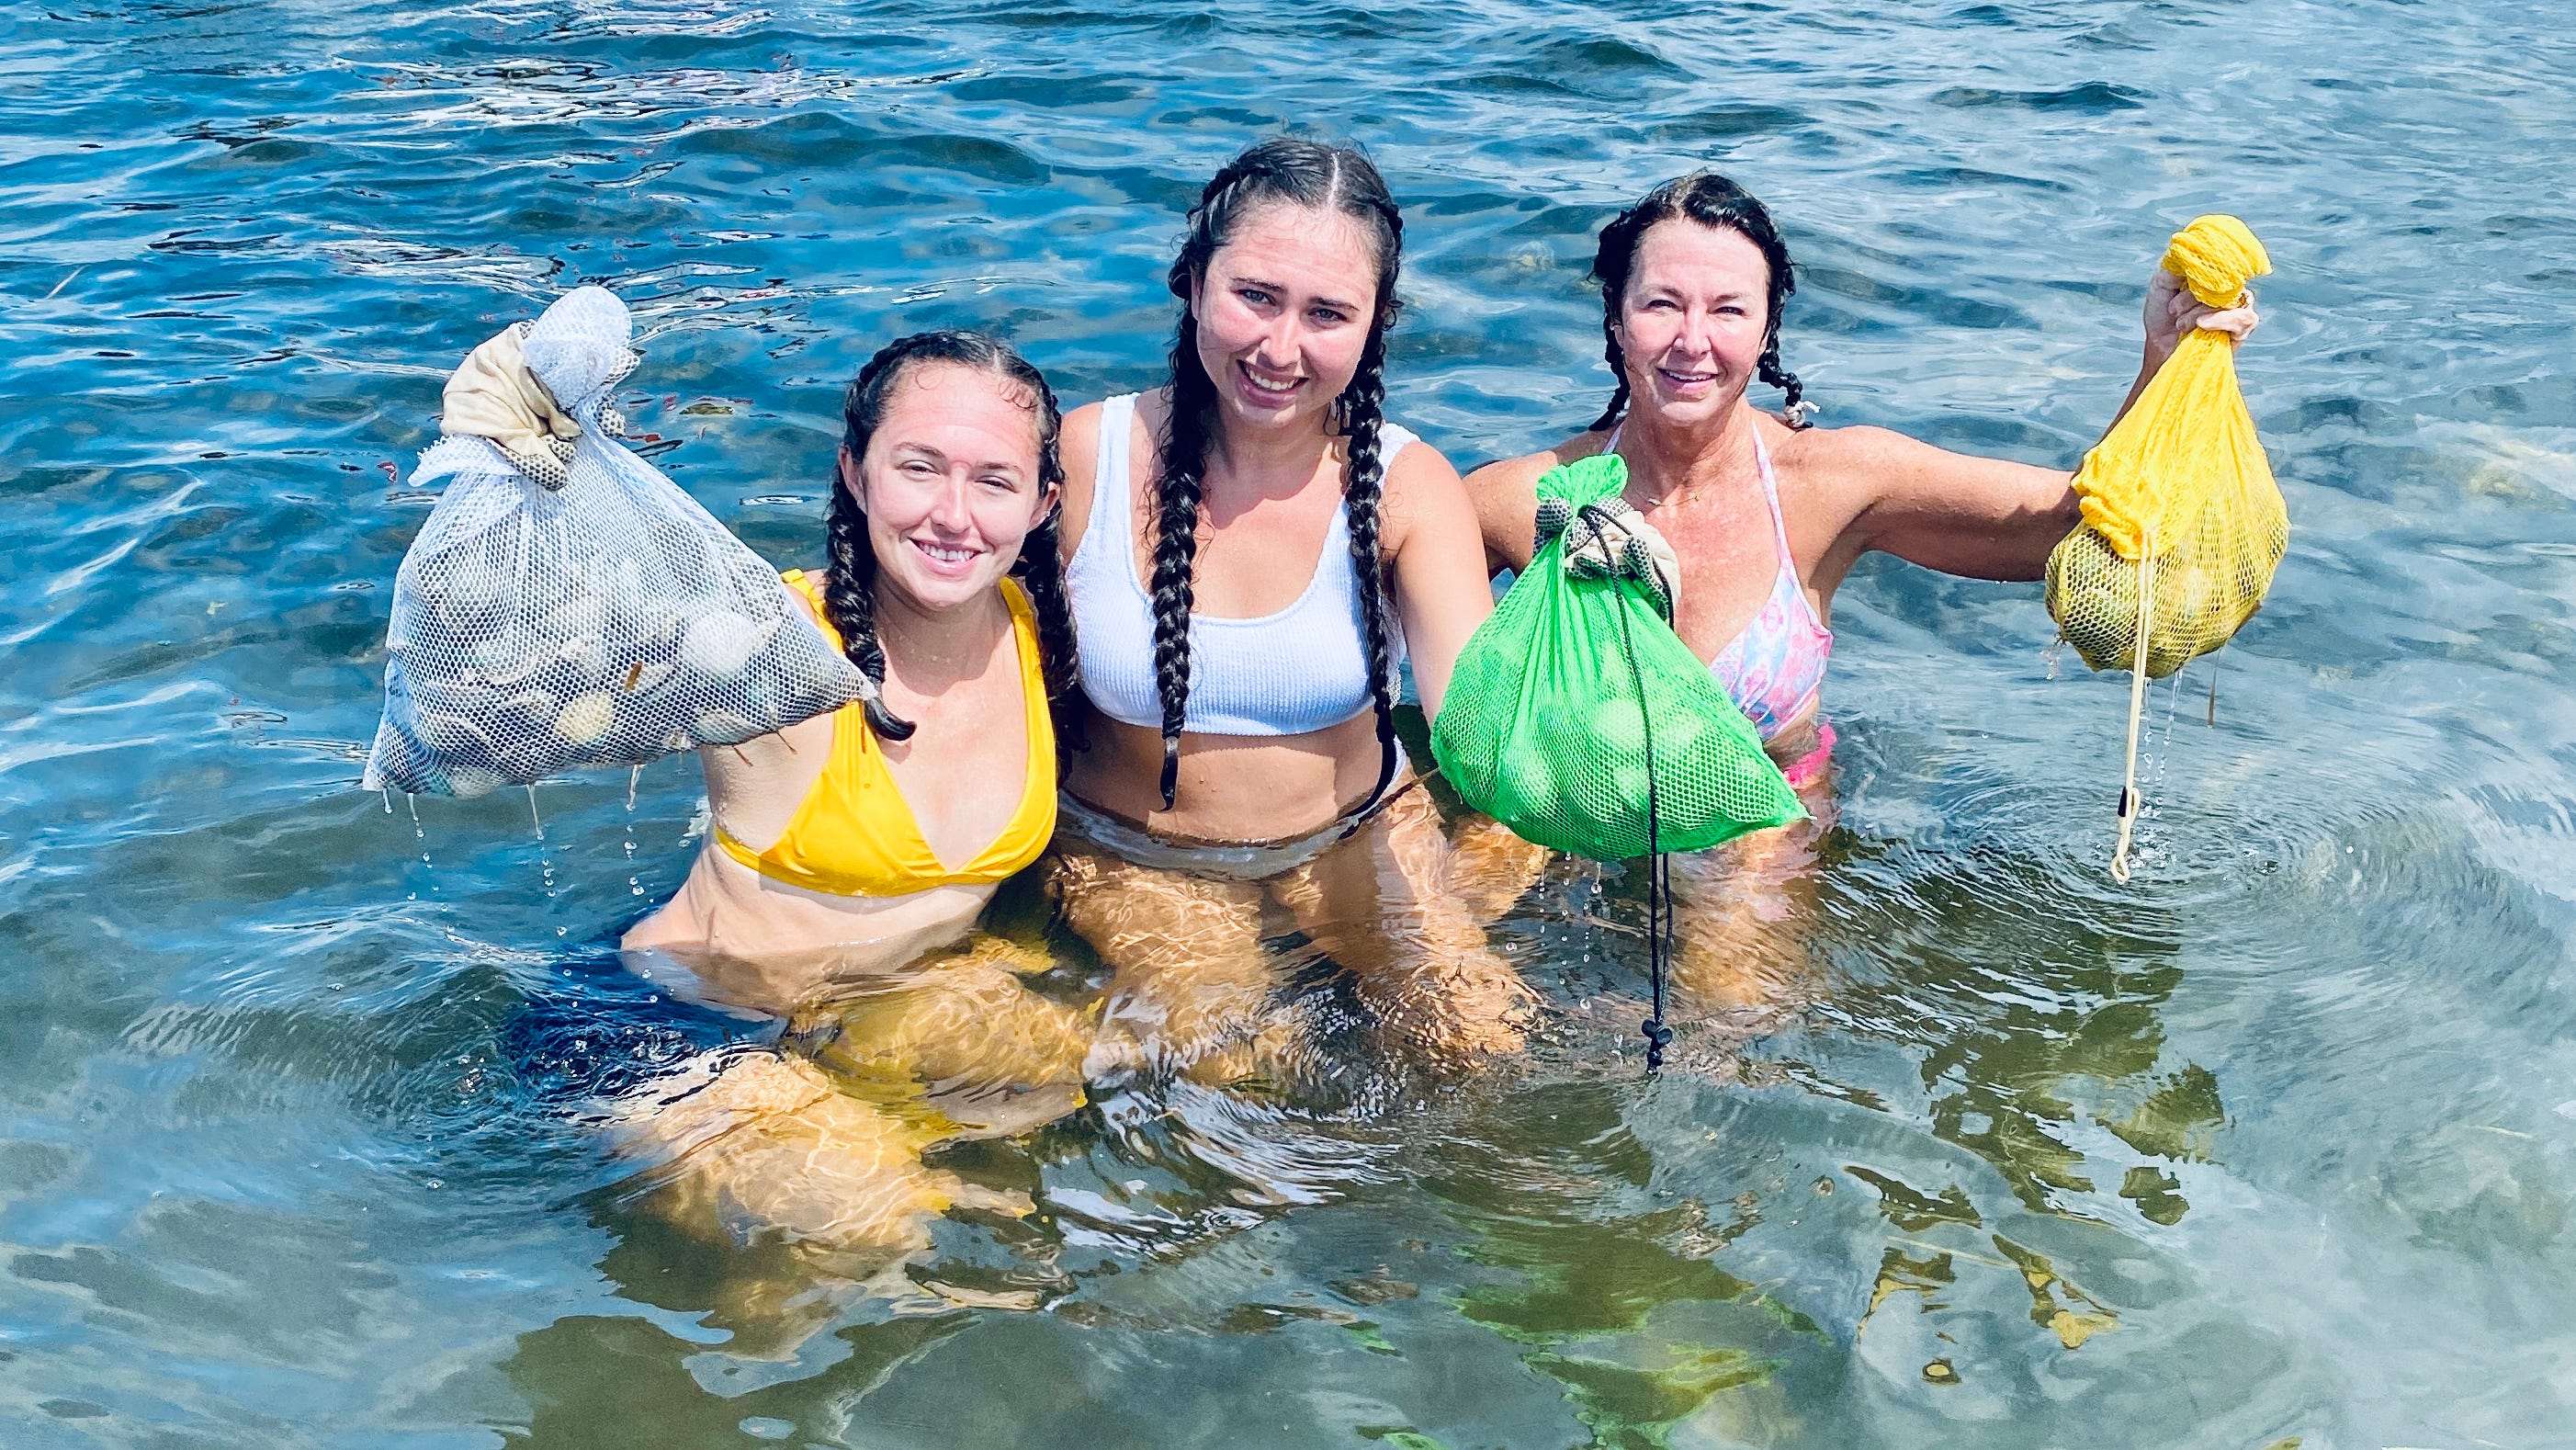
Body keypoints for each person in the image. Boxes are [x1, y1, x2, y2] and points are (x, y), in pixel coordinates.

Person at [1463, 172, 2258, 1016]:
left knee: (1720, 1038)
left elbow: (2070, 522)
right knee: (1431, 1001)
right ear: (1616, 319)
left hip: (1756, 819)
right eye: (1662, 304)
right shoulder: (1529, 500)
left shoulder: (1829, 485)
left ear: (1767, 326)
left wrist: (2161, 356)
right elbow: (1365, 601)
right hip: (1551, 806)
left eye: (1728, 310)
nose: (1693, 340)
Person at [1051, 137, 1545, 1082]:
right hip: (1137, 858)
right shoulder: (1086, 456)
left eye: (1326, 314)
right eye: (1254, 296)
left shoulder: (1407, 486)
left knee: (1483, 1052)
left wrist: (1603, 644)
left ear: (1373, 326)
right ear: (1193, 282)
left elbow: (1476, 725)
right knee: (1237, 1067)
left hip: (1357, 838)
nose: (1279, 349)